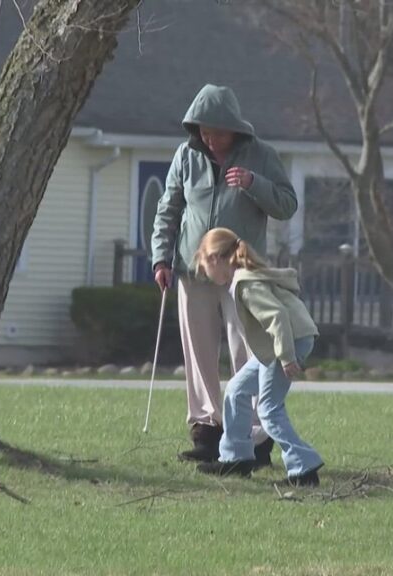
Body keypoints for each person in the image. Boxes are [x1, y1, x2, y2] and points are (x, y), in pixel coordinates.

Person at [151, 84, 298, 464]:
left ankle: (255, 436)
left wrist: (254, 184)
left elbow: (287, 205)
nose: (207, 137)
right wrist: (161, 260)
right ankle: (206, 430)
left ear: (233, 128)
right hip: (191, 270)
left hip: (241, 274)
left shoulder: (262, 156)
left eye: (214, 130)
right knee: (198, 351)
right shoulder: (186, 156)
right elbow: (168, 209)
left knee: (246, 352)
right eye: (201, 130)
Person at [192, 228, 323, 487]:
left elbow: (277, 317)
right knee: (236, 390)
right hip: (276, 345)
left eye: (204, 266)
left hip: (287, 343)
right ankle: (236, 459)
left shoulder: (246, 284)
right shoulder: (245, 279)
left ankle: (304, 468)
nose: (205, 274)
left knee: (268, 409)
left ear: (216, 259)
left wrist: (287, 357)